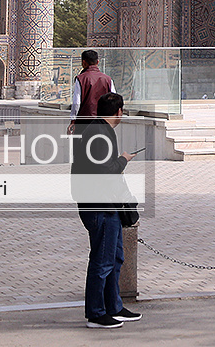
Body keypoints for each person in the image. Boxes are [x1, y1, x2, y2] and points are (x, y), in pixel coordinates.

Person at [72, 92, 141, 329]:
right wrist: (123, 160)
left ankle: (114, 307)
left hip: (105, 203)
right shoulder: (98, 134)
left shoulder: (99, 129)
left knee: (114, 257)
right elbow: (104, 170)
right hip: (98, 205)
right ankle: (96, 313)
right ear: (119, 112)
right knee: (102, 261)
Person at [71, 50, 116, 120]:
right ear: (97, 62)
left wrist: (73, 119)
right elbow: (114, 100)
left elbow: (76, 102)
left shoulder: (81, 79)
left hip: (85, 120)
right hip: (103, 121)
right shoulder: (108, 79)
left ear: (83, 62)